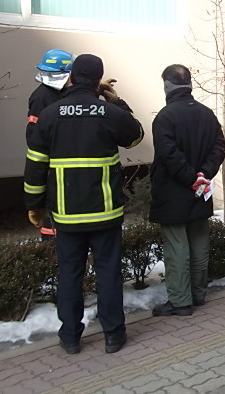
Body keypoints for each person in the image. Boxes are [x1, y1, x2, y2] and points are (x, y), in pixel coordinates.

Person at [24, 54, 144, 355]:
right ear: (99, 81)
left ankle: (70, 337)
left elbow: (35, 163)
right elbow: (135, 136)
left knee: (70, 275)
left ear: (71, 77)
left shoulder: (49, 115)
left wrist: (34, 204)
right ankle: (113, 335)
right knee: (108, 274)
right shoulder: (109, 113)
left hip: (66, 216)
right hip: (105, 214)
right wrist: (117, 102)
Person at [149, 64, 225, 317]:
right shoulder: (207, 114)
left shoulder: (165, 117)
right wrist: (203, 175)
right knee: (199, 243)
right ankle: (198, 294)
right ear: (190, 84)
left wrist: (192, 178)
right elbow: (219, 147)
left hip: (173, 194)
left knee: (177, 248)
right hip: (201, 192)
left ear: (167, 86)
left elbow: (168, 155)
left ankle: (180, 301)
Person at [26, 49, 74, 241]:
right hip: (51, 170)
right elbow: (34, 140)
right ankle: (51, 251)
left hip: (65, 171)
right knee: (53, 224)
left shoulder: (59, 92)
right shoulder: (42, 97)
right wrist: (34, 203)